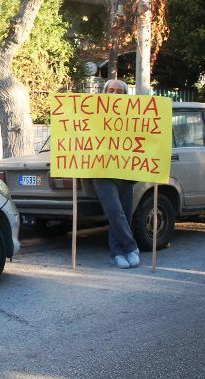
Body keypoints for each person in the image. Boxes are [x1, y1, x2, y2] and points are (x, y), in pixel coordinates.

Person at [93, 78, 140, 269]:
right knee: (114, 210)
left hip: (126, 169)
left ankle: (117, 253)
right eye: (111, 91)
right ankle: (131, 247)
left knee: (124, 213)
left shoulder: (134, 116)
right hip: (102, 170)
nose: (114, 94)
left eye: (119, 91)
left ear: (125, 95)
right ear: (104, 93)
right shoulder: (93, 115)